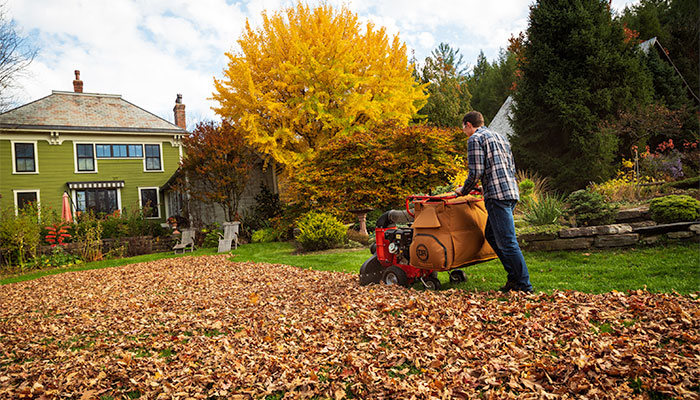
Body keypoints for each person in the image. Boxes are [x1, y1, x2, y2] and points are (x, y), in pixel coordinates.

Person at [455, 111, 533, 293]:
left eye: (463, 127)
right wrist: (484, 188)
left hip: (497, 196)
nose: (463, 130)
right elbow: (507, 167)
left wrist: (463, 191)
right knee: (491, 234)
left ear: (468, 124)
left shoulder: (475, 139)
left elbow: (476, 172)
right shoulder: (500, 137)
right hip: (510, 191)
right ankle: (514, 278)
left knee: (508, 241)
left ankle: (524, 286)